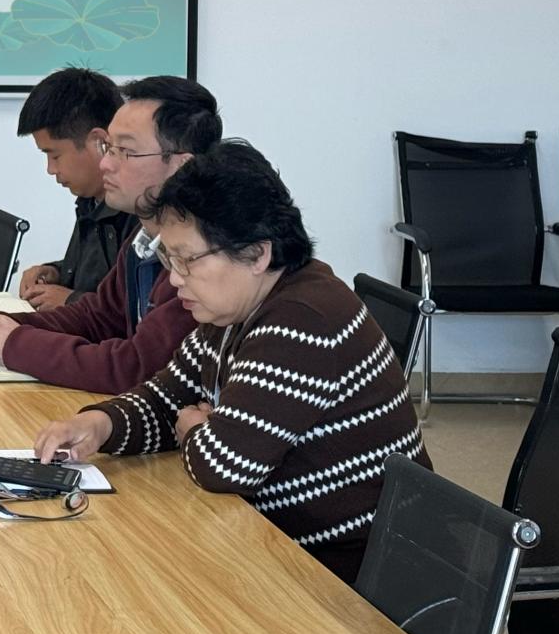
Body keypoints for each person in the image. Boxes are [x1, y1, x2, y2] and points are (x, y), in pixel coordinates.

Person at [33, 141, 429, 584]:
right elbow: (167, 397)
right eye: (169, 258)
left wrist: (195, 429)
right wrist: (99, 425)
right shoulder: (232, 309)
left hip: (350, 581)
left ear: (257, 254)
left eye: (187, 260)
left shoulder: (303, 320)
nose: (175, 278)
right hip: (272, 547)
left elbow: (222, 466)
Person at [0, 75, 219, 393]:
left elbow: (137, 368)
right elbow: (96, 317)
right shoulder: (142, 240)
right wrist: (1, 325)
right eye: (108, 148)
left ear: (181, 166)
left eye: (125, 151)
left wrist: (15, 342)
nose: (106, 163)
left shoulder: (204, 256)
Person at [13, 67, 128, 309]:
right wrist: (57, 272)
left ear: (99, 142)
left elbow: (128, 313)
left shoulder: (138, 212)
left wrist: (70, 300)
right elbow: (94, 278)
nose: (50, 169)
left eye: (55, 155)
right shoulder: (90, 200)